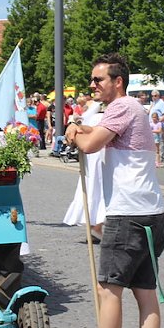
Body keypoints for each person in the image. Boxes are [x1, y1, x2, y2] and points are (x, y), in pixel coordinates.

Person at [62, 52, 164, 328]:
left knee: (108, 292)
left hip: (127, 216)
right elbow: (102, 133)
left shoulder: (122, 106)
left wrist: (74, 132)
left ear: (117, 81)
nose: (93, 85)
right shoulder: (133, 111)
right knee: (146, 294)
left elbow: (91, 145)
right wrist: (83, 126)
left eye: (99, 79)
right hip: (152, 214)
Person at [63, 97, 106, 239]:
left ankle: (95, 226)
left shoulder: (102, 116)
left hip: (100, 155)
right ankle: (95, 226)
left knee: (95, 188)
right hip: (94, 156)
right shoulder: (93, 116)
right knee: (95, 188)